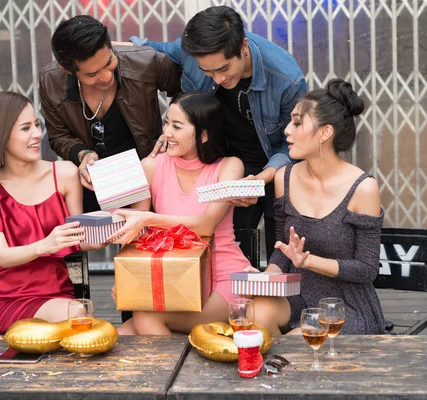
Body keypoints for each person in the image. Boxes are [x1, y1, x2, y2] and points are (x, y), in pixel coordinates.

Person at [127, 6, 307, 260]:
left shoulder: (286, 80)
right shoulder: (193, 51)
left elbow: (295, 144)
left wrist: (261, 178)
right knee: (231, 243)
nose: (218, 78)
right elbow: (149, 48)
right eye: (207, 71)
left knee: (279, 249)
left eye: (224, 68)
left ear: (243, 45)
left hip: (271, 165)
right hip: (224, 162)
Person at [0, 91, 101, 335]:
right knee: (75, 319)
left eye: (37, 124)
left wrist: (101, 235)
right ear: (1, 136)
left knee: (76, 317)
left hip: (56, 296)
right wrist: (46, 244)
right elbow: (2, 256)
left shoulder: (64, 173)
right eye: (25, 128)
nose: (37, 134)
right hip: (5, 301)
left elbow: (77, 237)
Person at [246, 79, 387, 335]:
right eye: (290, 121)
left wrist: (308, 261)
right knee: (256, 314)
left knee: (299, 339)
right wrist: (267, 277)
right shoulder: (283, 178)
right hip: (295, 296)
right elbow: (282, 249)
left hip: (343, 306)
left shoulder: (363, 187)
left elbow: (367, 269)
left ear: (325, 133)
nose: (287, 130)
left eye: (297, 123)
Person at [108, 92, 252, 335]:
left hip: (223, 277)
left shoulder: (229, 166)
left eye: (177, 126)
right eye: (166, 123)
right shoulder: (152, 165)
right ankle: (181, 370)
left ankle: (177, 372)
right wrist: (125, 277)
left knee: (144, 317)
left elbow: (206, 226)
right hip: (172, 277)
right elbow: (136, 231)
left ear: (204, 135)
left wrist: (149, 218)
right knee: (119, 338)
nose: (166, 133)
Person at [40, 15, 182, 213]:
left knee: (146, 240)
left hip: (148, 177)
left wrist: (172, 130)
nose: (106, 77)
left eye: (109, 62)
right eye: (92, 74)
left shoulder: (146, 61)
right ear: (68, 70)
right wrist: (83, 154)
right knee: (87, 239)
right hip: (93, 183)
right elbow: (58, 136)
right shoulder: (51, 82)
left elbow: (188, 93)